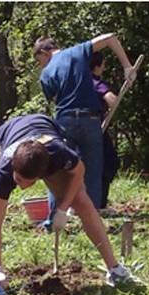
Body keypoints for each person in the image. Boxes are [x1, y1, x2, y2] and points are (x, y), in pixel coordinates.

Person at [0, 113, 136, 289]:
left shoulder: (59, 153)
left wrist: (62, 208)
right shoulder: (5, 170)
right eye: (18, 180)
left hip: (46, 138)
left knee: (82, 201)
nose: (22, 187)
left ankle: (114, 269)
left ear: (42, 174)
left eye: (30, 182)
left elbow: (78, 171)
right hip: (11, 137)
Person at [33, 34, 135, 217]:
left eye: (39, 60)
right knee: (92, 172)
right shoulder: (77, 51)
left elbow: (54, 98)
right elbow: (111, 38)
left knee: (59, 167)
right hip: (90, 120)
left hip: (65, 121)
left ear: (44, 52)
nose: (41, 65)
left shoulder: (46, 73)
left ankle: (55, 216)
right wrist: (127, 66)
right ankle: (91, 217)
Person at [90, 51, 120, 210]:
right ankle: (99, 203)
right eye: (103, 64)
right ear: (98, 65)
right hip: (95, 130)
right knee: (110, 163)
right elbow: (112, 100)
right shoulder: (95, 82)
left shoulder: (79, 81)